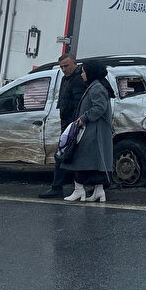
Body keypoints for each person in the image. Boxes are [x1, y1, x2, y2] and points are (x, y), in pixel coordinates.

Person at [62, 59, 116, 202]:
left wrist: (83, 118)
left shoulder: (96, 87)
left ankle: (79, 190)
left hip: (93, 131)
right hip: (95, 131)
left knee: (77, 159)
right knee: (96, 163)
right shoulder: (96, 85)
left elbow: (99, 107)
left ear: (91, 72)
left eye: (84, 71)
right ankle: (99, 192)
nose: (82, 75)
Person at [39, 53, 87, 198]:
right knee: (65, 155)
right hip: (67, 124)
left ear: (75, 63)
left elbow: (79, 103)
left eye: (66, 66)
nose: (64, 69)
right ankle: (62, 187)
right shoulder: (66, 78)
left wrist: (74, 125)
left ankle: (58, 187)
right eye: (61, 67)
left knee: (63, 155)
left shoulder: (78, 79)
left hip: (73, 125)